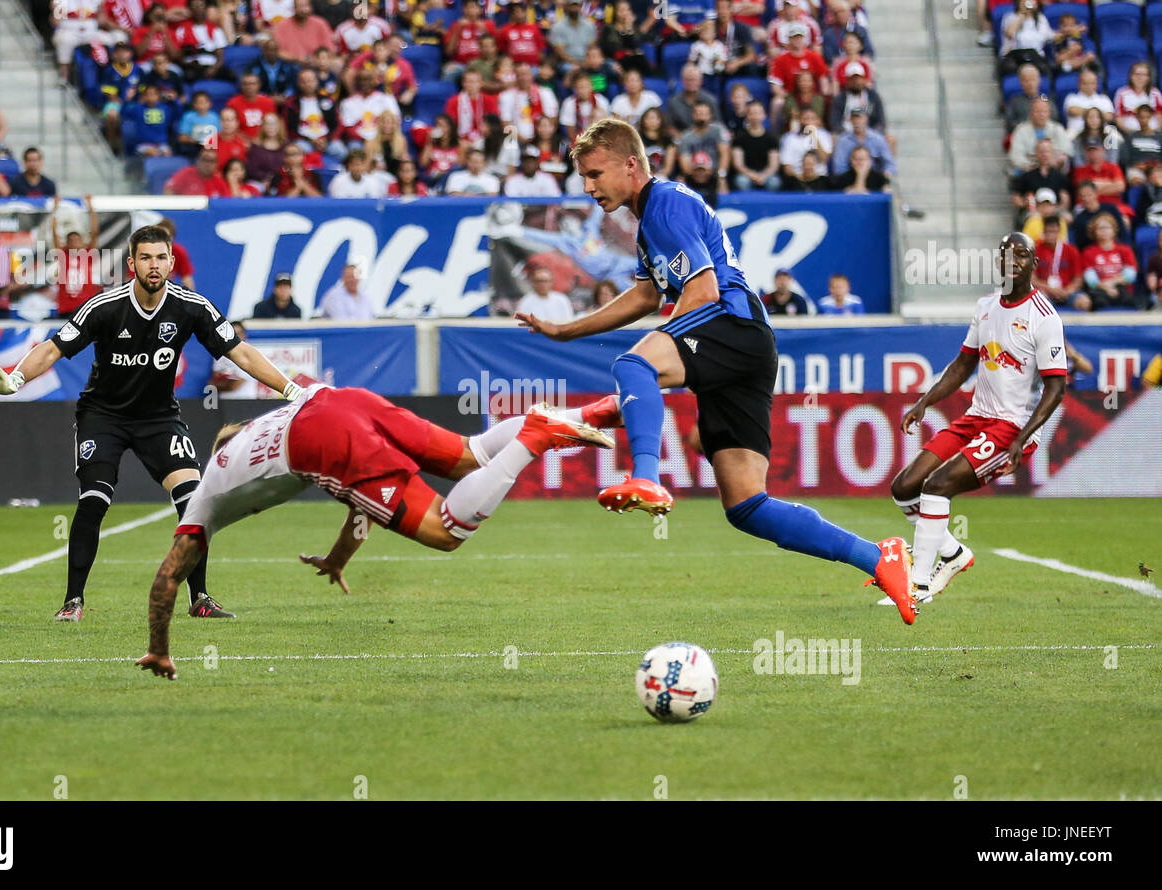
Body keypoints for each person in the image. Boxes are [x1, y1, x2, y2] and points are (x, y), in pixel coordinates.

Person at [515, 118, 920, 625]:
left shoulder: (665, 204)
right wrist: (568, 330)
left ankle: (644, 476)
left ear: (630, 164)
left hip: (732, 320)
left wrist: (662, 350)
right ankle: (878, 557)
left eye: (595, 174)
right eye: (584, 177)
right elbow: (645, 293)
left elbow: (703, 289)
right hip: (748, 344)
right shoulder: (651, 219)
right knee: (747, 506)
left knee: (635, 364)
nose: (588, 187)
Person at [135, 394, 616, 679]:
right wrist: (338, 559)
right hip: (341, 400)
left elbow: (167, 579)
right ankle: (592, 412)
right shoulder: (258, 426)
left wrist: (159, 647)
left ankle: (536, 433)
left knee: (447, 530)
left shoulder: (207, 496)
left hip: (317, 441)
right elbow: (360, 501)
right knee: (470, 453)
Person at [0, 225, 303, 623]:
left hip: (158, 418)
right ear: (131, 263)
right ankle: (72, 602)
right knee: (94, 500)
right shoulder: (105, 306)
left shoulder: (191, 306)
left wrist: (290, 389)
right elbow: (52, 347)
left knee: (194, 499)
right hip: (103, 416)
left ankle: (200, 598)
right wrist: (15, 381)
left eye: (161, 257)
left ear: (171, 262)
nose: (154, 265)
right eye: (145, 257)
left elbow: (241, 353)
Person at [890, 232, 1066, 604]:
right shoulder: (986, 306)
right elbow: (963, 364)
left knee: (937, 487)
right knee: (905, 487)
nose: (1013, 260)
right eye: (1006, 254)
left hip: (1011, 427)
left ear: (1034, 264)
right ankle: (953, 554)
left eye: (1022, 254)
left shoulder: (1044, 317)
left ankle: (916, 586)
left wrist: (1022, 438)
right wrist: (925, 402)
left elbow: (1056, 388)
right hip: (977, 416)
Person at [52, 195, 103, 318]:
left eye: (77, 239)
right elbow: (54, 233)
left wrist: (91, 208)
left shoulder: (87, 255)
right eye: (71, 240)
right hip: (65, 308)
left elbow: (95, 233)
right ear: (66, 244)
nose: (74, 242)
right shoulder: (63, 255)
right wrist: (55, 208)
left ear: (82, 242)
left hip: (85, 307)